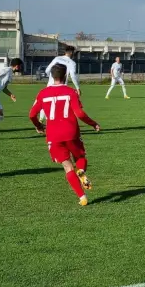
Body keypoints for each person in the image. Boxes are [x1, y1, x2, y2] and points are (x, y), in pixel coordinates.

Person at [29, 64, 100, 206]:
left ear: (51, 76)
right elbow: (79, 113)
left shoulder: (43, 93)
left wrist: (38, 126)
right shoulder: (71, 92)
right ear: (66, 76)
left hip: (53, 135)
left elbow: (31, 114)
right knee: (80, 157)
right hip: (71, 132)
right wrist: (93, 123)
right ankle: (80, 171)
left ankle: (82, 197)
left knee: (67, 167)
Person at [40, 45, 80, 122]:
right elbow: (73, 76)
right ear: (71, 52)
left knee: (46, 101)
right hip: (62, 86)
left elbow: (47, 70)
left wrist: (51, 78)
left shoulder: (57, 58)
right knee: (60, 104)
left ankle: (41, 119)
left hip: (51, 84)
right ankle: (56, 121)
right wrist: (77, 87)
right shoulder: (72, 63)